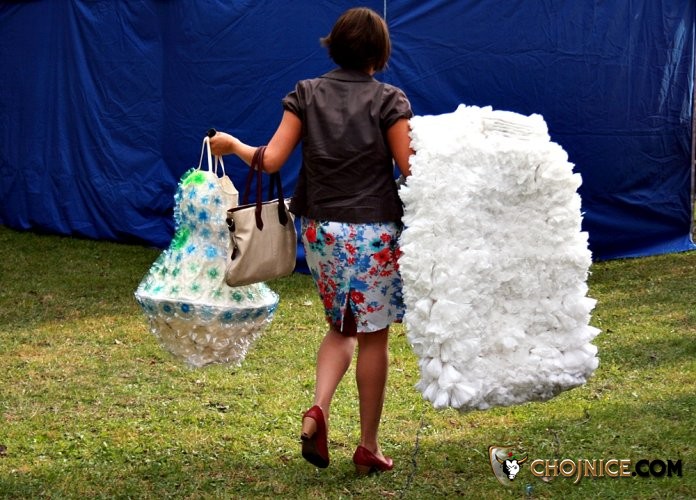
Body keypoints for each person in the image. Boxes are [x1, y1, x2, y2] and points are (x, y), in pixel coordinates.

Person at [210, 7, 413, 474]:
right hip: (373, 231)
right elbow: (410, 168)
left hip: (319, 229)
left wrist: (234, 145)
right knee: (373, 337)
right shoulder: (389, 99)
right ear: (379, 53)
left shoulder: (306, 93)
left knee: (341, 327)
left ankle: (318, 409)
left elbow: (271, 160)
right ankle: (368, 446)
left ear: (335, 46)